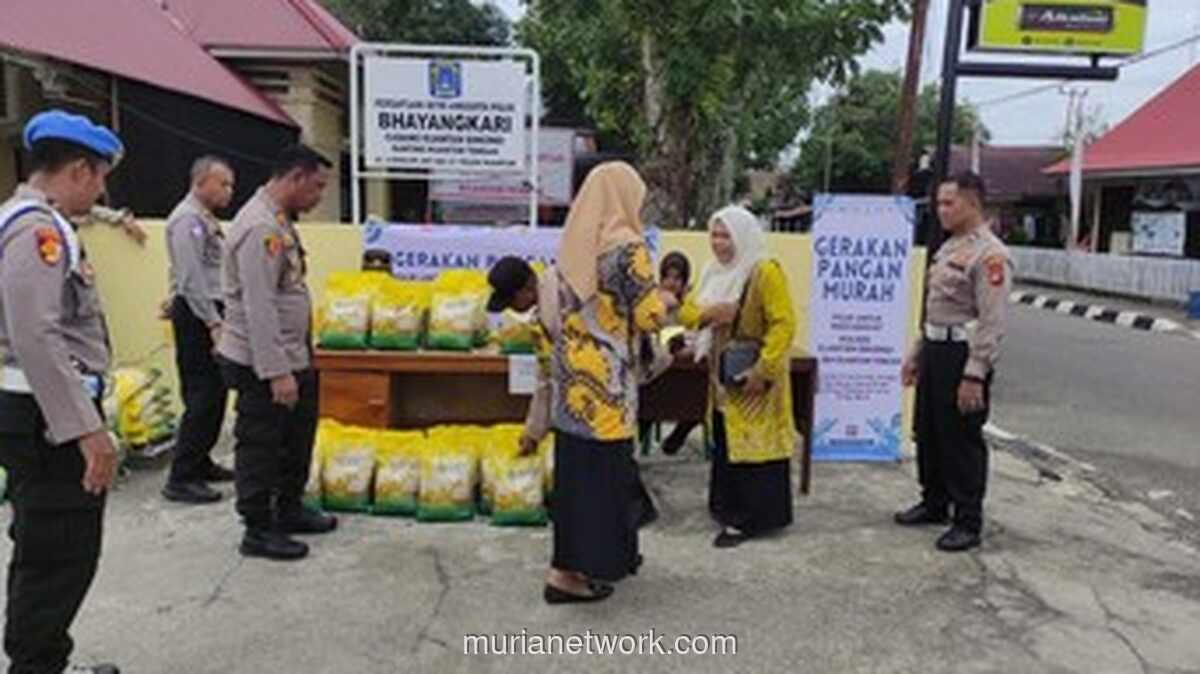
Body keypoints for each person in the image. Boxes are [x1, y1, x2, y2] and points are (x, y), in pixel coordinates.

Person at [0, 110, 124, 674]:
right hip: (46, 416)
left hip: (37, 410)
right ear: (78, 170)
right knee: (60, 550)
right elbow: (36, 333)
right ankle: (36, 664)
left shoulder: (30, 218)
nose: (101, 190)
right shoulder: (39, 232)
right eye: (99, 177)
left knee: (46, 541)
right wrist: (87, 430)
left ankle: (43, 656)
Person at [539, 162, 675, 603]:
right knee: (605, 479)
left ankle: (569, 566)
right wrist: (668, 301)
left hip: (571, 380)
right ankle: (574, 576)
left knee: (577, 479)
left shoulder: (576, 241)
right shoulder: (628, 247)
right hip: (608, 388)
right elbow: (648, 315)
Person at [217, 144, 336, 561]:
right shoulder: (259, 227)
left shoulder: (279, 220)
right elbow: (258, 305)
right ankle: (258, 528)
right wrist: (277, 372)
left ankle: (288, 509)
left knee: (295, 438)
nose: (320, 195)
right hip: (262, 362)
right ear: (296, 177)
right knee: (262, 444)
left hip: (292, 355)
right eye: (317, 186)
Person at [486, 256, 665, 532]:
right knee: (605, 464)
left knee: (609, 458)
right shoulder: (545, 311)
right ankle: (624, 520)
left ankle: (631, 518)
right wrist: (533, 433)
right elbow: (547, 378)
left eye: (511, 302)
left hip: (607, 389)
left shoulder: (565, 296)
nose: (513, 309)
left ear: (526, 290)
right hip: (589, 397)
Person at [896, 171, 1012, 553]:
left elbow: (991, 322)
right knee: (928, 431)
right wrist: (917, 352)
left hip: (963, 356)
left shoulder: (989, 254)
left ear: (973, 203)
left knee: (960, 438)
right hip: (935, 348)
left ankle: (967, 520)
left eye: (949, 203)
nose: (941, 211)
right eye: (939, 203)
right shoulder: (949, 248)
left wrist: (975, 374)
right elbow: (937, 308)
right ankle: (934, 502)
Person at [679, 205, 797, 549]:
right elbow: (687, 310)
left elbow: (783, 323)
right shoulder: (711, 272)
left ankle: (750, 520)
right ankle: (727, 508)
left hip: (753, 372)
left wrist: (764, 369)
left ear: (743, 236)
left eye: (725, 235)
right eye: (714, 234)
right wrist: (709, 313)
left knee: (756, 447)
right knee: (727, 443)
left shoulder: (763, 272)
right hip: (722, 373)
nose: (718, 243)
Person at [162, 156, 237, 505]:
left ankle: (201, 461)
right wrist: (213, 322)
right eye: (223, 184)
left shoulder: (203, 219)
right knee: (202, 395)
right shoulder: (187, 220)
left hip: (207, 309)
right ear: (202, 181)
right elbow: (192, 279)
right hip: (199, 315)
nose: (228, 191)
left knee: (216, 392)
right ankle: (182, 477)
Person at [648, 251, 699, 456]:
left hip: (684, 370)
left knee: (697, 397)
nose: (671, 282)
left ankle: (678, 435)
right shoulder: (653, 301)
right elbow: (657, 335)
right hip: (656, 371)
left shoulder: (691, 304)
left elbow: (695, 331)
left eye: (677, 278)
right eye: (667, 276)